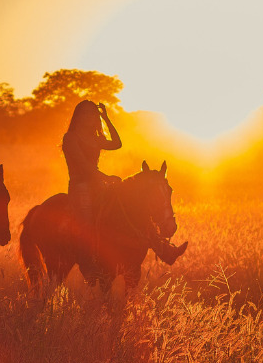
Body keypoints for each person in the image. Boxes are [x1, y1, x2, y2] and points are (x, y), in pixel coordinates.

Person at [61, 100, 186, 264]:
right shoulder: (70, 137)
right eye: (85, 113)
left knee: (134, 210)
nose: (89, 116)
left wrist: (106, 118)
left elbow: (116, 143)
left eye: (93, 113)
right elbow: (84, 167)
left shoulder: (95, 138)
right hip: (80, 187)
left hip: (99, 185)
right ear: (77, 116)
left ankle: (164, 250)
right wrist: (106, 178)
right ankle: (89, 262)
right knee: (87, 224)